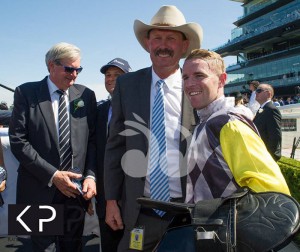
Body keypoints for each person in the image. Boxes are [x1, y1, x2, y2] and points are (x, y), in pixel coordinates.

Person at [104, 5, 203, 251]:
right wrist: (111, 201)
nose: (163, 45)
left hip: (186, 210)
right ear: (148, 43)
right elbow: (115, 147)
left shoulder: (197, 88)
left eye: (171, 38)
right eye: (157, 38)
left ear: (184, 45)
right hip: (139, 208)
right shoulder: (126, 85)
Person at [9, 42, 97, 252]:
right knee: (41, 248)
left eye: (78, 69)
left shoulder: (86, 95)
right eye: (69, 69)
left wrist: (91, 177)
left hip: (74, 192)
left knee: (72, 246)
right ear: (51, 65)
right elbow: (18, 141)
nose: (74, 75)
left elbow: (93, 141)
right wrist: (53, 175)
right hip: (37, 189)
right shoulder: (26, 92)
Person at [182, 49, 290, 206]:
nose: (190, 83)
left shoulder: (230, 125)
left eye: (199, 75)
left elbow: (275, 197)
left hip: (225, 229)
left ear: (222, 79)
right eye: (185, 77)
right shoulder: (209, 121)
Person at [96, 57, 132, 252]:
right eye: (108, 75)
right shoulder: (99, 110)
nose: (111, 79)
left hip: (133, 196)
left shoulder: (141, 109)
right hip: (104, 195)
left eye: (117, 75)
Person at [253, 83, 282, 161]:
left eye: (259, 91)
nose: (256, 93)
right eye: (256, 91)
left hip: (266, 157)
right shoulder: (263, 109)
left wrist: (269, 156)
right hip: (260, 153)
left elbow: (275, 136)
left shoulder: (272, 110)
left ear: (268, 94)